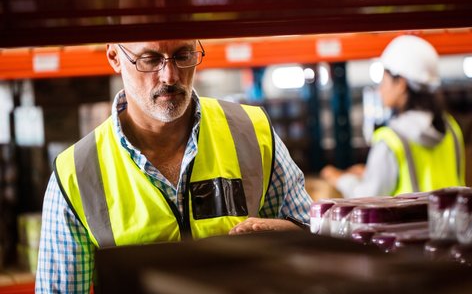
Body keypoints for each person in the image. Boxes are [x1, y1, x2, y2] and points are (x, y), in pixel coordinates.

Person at [36, 39, 312, 293]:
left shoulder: (253, 132)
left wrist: (296, 236)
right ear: (114, 56)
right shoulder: (75, 174)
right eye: (150, 59)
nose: (170, 76)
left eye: (183, 55)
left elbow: (315, 236)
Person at [321, 35, 465, 198]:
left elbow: (368, 197)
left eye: (384, 80)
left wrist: (341, 179)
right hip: (451, 222)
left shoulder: (391, 140)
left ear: (401, 84)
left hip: (410, 223)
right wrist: (371, 173)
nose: (380, 89)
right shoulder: (451, 128)